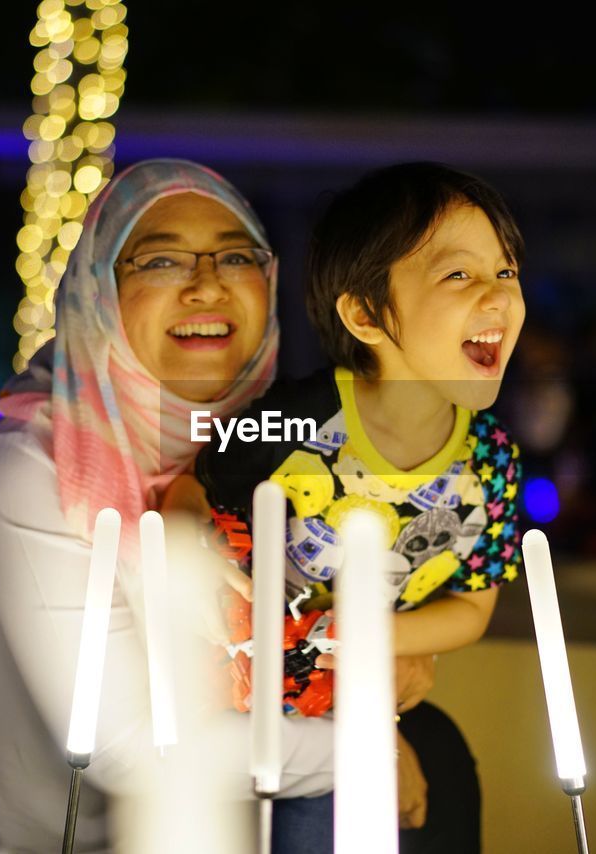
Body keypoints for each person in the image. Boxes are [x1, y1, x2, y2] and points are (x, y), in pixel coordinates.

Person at [0, 159, 342, 853]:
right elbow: (127, 745)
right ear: (102, 294)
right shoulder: (35, 465)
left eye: (236, 256)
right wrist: (362, 751)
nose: (207, 282)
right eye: (160, 261)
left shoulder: (282, 461)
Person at [167, 161, 528, 852]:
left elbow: (472, 611)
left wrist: (365, 645)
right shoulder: (293, 420)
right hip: (254, 701)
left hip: (356, 690)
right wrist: (201, 559)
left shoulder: (493, 462)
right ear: (365, 314)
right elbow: (195, 485)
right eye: (460, 274)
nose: (496, 295)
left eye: (506, 272)